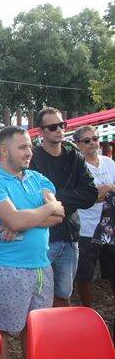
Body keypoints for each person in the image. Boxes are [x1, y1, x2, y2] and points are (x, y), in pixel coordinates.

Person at [0, 126, 65, 359]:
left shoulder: (39, 179)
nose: (29, 152)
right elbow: (48, 211)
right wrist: (45, 209)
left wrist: (20, 220)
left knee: (35, 329)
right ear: (4, 151)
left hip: (41, 269)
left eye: (29, 146)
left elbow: (59, 216)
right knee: (1, 330)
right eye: (23, 147)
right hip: (8, 269)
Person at [29, 107, 97, 307]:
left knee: (64, 294)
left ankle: (60, 336)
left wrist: (54, 199)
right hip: (44, 237)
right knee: (40, 296)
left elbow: (90, 194)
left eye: (62, 125)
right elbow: (33, 199)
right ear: (41, 132)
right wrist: (70, 197)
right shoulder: (33, 159)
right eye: (52, 127)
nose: (59, 129)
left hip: (70, 236)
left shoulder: (73, 155)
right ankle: (42, 337)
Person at [73, 125, 115, 306]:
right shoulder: (77, 167)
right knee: (84, 275)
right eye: (87, 140)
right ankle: (88, 311)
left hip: (109, 227)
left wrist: (101, 193)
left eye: (95, 139)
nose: (93, 143)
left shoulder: (109, 163)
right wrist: (101, 193)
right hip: (86, 229)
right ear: (78, 145)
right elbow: (81, 197)